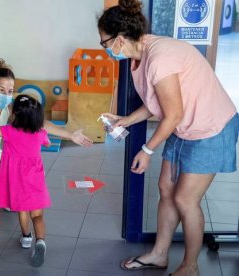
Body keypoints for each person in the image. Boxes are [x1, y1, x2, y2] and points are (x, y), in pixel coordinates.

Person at [97, 1, 239, 276]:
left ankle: (190, 266)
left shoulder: (160, 57)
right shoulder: (140, 55)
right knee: (166, 188)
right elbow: (157, 103)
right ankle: (159, 255)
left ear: (120, 39)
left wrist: (147, 150)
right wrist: (125, 120)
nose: (105, 50)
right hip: (184, 126)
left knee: (186, 199)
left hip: (211, 128)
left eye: (105, 43)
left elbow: (172, 114)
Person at [0, 59, 93, 232]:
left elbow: (39, 122)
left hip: (1, 167)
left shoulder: (9, 108)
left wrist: (70, 134)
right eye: (1, 90)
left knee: (19, 204)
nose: (6, 95)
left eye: (10, 91)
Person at [0, 94, 50, 267]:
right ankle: (40, 241)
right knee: (37, 214)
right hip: (35, 179)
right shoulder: (40, 132)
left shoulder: (8, 131)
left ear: (14, 116)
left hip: (17, 179)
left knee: (22, 209)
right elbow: (47, 143)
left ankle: (26, 237)